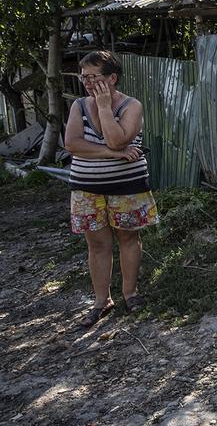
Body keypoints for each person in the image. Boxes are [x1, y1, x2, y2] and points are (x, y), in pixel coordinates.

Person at [64, 51, 158, 328]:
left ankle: (130, 294)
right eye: (84, 77)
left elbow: (117, 139)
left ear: (112, 78)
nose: (88, 83)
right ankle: (101, 300)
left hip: (126, 186)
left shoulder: (131, 106)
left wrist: (105, 108)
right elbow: (73, 144)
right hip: (86, 189)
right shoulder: (78, 106)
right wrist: (114, 155)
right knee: (97, 245)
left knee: (128, 239)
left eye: (94, 77)